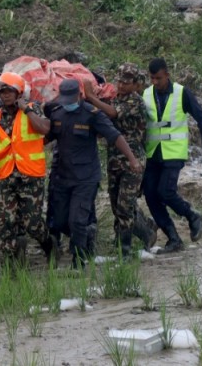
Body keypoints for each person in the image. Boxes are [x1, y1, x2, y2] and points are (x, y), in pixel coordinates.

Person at [44, 78, 142, 266]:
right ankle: (87, 235)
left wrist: (132, 159)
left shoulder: (92, 114)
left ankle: (78, 262)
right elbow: (47, 138)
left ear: (79, 95)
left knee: (77, 220)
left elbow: (115, 136)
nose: (67, 104)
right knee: (60, 221)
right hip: (63, 176)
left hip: (86, 178)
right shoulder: (57, 114)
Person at [142, 58, 202, 254]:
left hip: (174, 152)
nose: (155, 82)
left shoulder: (182, 93)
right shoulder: (147, 94)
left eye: (158, 78)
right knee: (150, 194)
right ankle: (173, 238)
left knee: (165, 191)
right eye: (152, 78)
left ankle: (192, 215)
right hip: (153, 152)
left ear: (167, 75)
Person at [0, 72, 56, 265]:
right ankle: (13, 263)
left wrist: (26, 110)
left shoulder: (33, 108)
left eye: (10, 90)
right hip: (6, 177)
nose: (6, 94)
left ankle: (49, 245)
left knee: (32, 223)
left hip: (31, 176)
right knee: (4, 221)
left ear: (19, 93)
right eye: (2, 91)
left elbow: (45, 129)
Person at [91, 63, 158, 254]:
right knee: (116, 204)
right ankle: (146, 229)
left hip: (132, 162)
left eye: (126, 83)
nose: (121, 85)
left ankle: (125, 248)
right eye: (119, 81)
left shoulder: (135, 102)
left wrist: (91, 98)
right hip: (114, 160)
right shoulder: (115, 100)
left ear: (136, 85)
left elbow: (112, 113)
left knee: (124, 205)